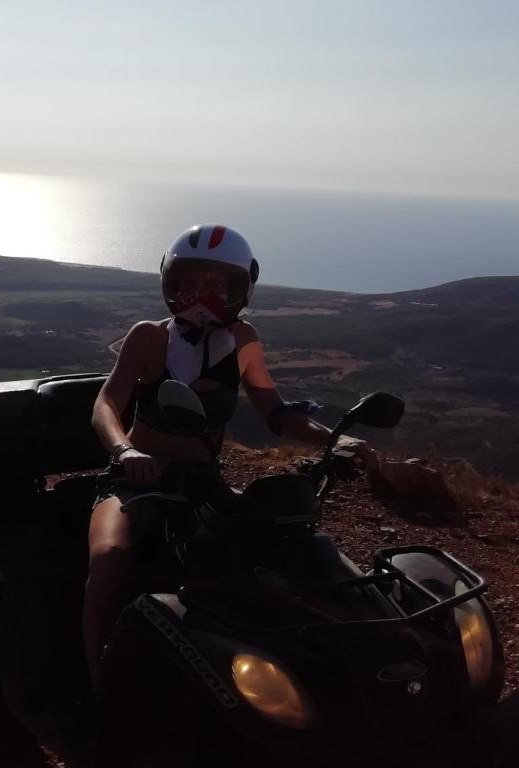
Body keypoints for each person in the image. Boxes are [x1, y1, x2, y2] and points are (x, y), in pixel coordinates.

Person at [84, 223, 375, 689]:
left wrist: (332, 441)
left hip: (204, 482)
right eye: (190, 282)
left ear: (239, 288)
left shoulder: (242, 341)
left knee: (274, 554)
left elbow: (276, 413)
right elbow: (106, 404)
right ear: (171, 284)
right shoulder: (149, 337)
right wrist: (125, 450)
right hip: (134, 479)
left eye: (215, 283)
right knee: (111, 555)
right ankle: (98, 675)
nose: (201, 294)